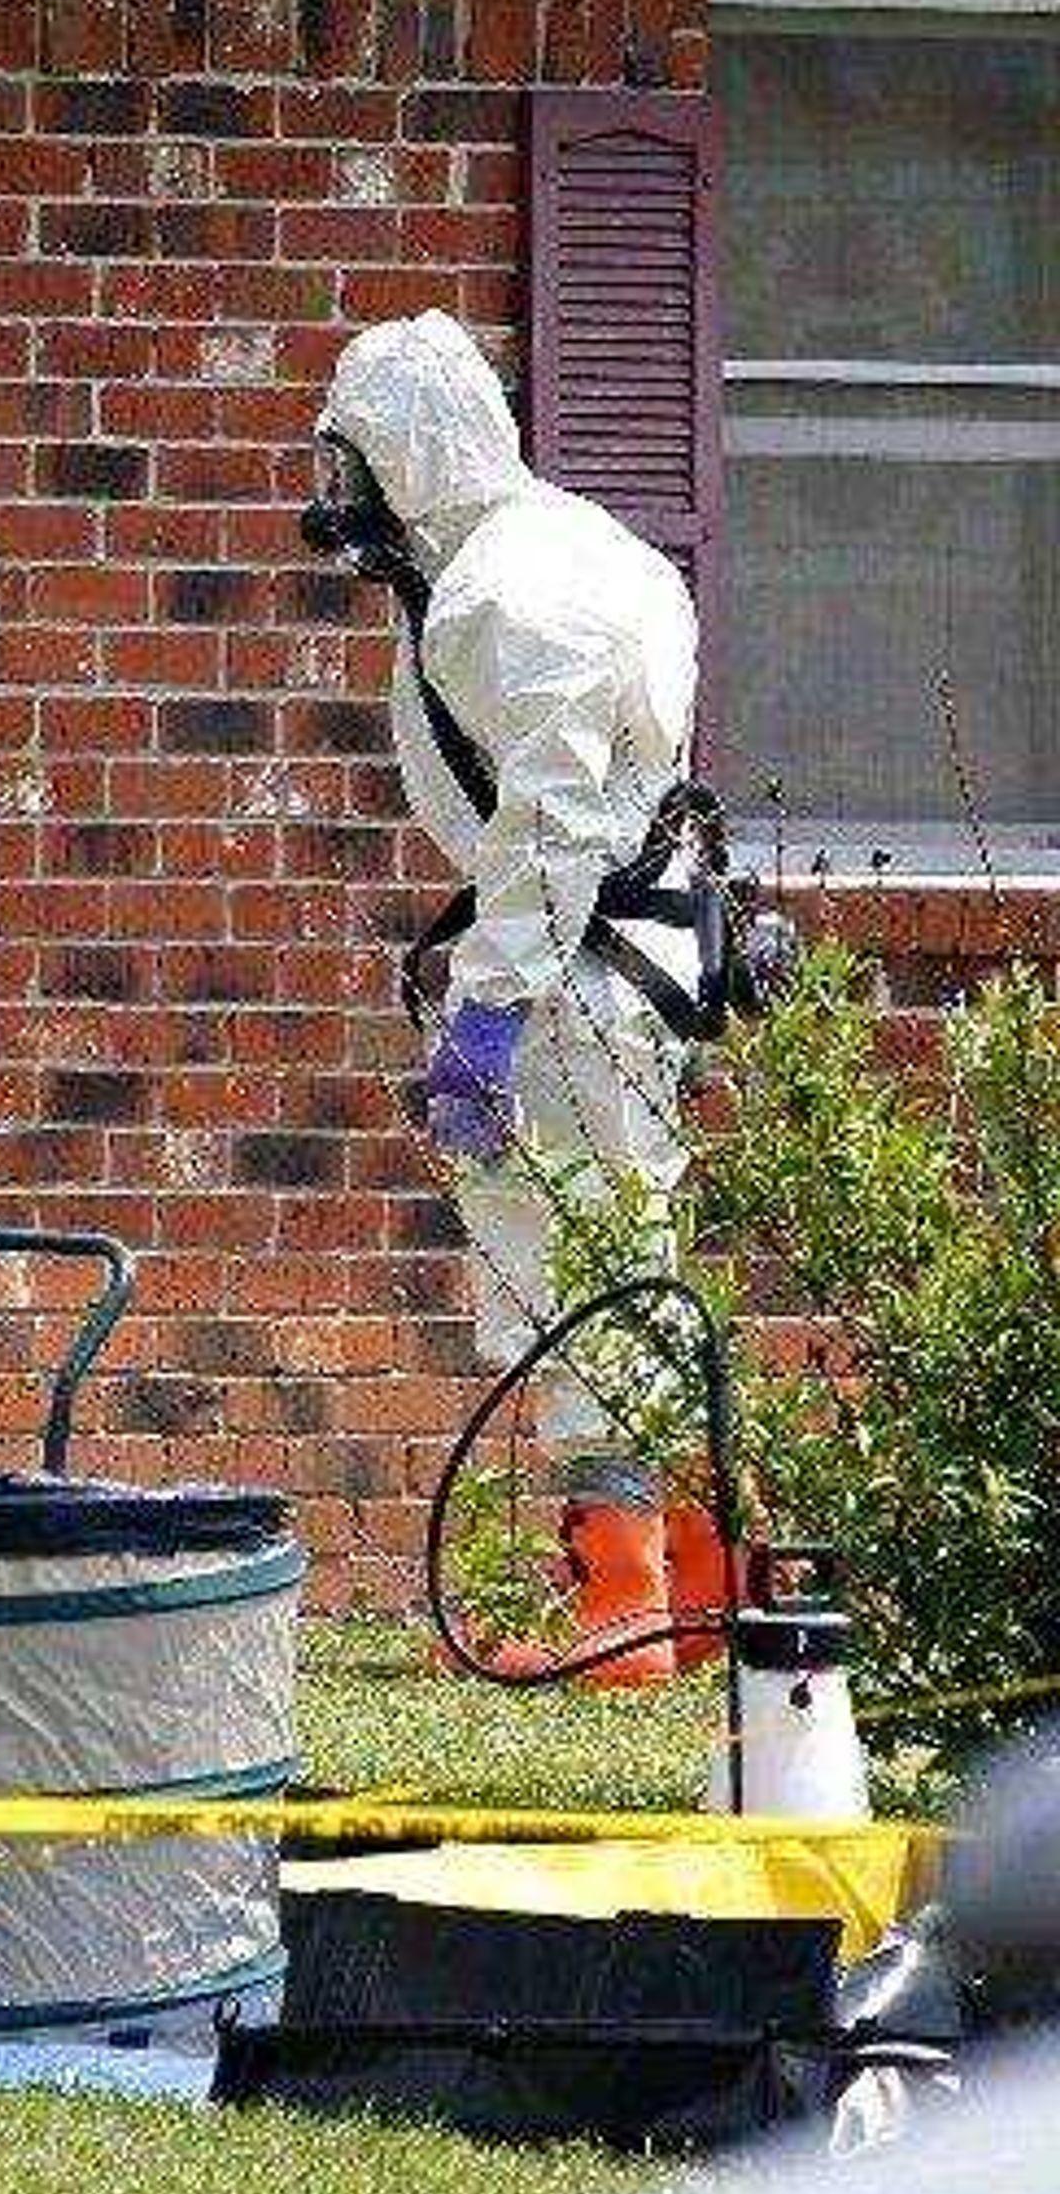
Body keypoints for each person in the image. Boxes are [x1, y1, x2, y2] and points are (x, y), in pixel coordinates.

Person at [310, 309, 703, 1652]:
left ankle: (623, 1609)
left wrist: (488, 1008)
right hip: (621, 958)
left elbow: (551, 823)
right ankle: (692, 1587)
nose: (340, 493)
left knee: (585, 1268)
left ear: (408, 450)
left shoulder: (504, 596)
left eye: (353, 456)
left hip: (572, 973)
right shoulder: (560, 552)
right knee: (632, 1257)